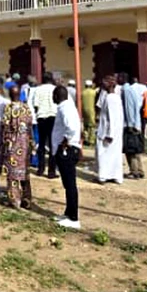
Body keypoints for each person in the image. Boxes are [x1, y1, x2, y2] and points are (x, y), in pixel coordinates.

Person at [51, 86, 83, 230]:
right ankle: (68, 213)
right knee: (67, 184)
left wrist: (65, 142)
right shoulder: (67, 106)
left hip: (67, 150)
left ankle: (74, 218)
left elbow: (72, 128)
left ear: (57, 96)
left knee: (70, 184)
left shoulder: (65, 108)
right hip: (67, 148)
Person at [0, 84, 35, 209]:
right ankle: (27, 199)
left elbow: (5, 126)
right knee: (24, 172)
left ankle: (15, 200)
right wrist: (31, 142)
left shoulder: (8, 108)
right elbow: (30, 126)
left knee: (12, 174)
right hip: (25, 144)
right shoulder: (26, 108)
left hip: (12, 144)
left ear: (10, 94)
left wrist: (3, 141)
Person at [95, 75, 125, 184]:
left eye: (105, 82)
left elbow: (112, 118)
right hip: (115, 132)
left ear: (109, 84)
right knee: (114, 155)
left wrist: (110, 134)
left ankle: (103, 176)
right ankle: (115, 176)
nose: (102, 84)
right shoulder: (115, 97)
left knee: (103, 154)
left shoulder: (110, 98)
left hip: (107, 133)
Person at [28, 73, 58, 178]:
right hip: (53, 117)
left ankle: (40, 169)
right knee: (52, 144)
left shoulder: (38, 90)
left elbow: (35, 105)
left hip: (41, 117)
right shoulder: (55, 89)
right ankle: (51, 171)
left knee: (41, 143)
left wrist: (40, 113)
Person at [80, 79, 99, 146]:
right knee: (92, 126)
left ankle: (85, 139)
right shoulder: (94, 92)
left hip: (84, 111)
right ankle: (91, 140)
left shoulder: (82, 92)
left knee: (85, 126)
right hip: (92, 111)